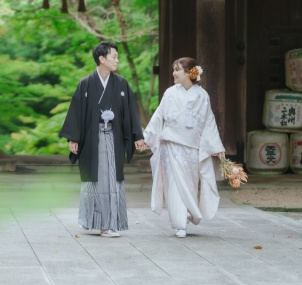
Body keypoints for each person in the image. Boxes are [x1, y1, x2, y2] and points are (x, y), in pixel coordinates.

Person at [59, 41, 147, 238]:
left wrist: (137, 136)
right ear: (102, 59)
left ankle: (109, 224)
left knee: (112, 179)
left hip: (114, 138)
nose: (117, 60)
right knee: (95, 179)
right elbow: (76, 112)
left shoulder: (121, 84)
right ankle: (95, 221)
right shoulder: (86, 84)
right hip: (93, 139)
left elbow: (131, 112)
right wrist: (73, 138)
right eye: (114, 57)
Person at [142, 57, 225, 239]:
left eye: (177, 70)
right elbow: (158, 116)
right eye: (173, 69)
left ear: (189, 73)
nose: (173, 73)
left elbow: (209, 121)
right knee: (174, 185)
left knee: (190, 184)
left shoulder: (202, 95)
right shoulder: (170, 93)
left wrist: (216, 146)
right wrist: (146, 138)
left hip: (192, 148)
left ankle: (188, 213)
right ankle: (179, 223)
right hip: (171, 145)